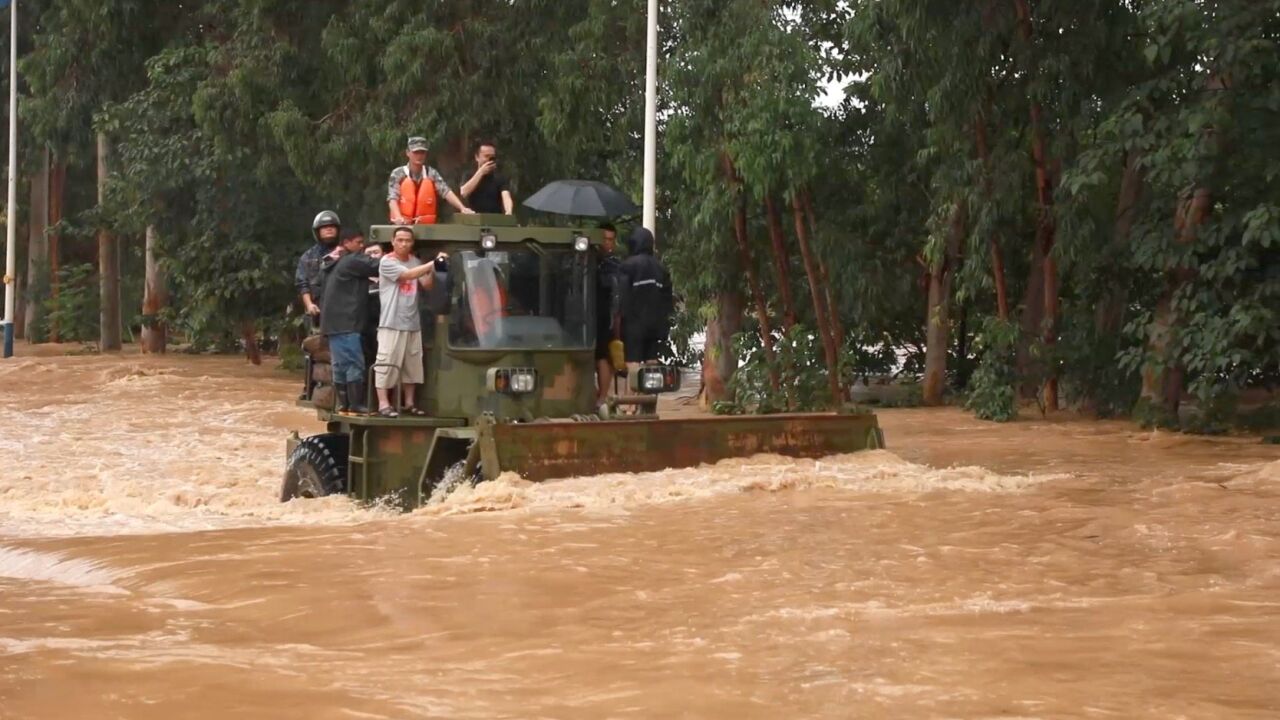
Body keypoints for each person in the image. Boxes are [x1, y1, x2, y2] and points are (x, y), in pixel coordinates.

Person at [374, 226, 446, 418]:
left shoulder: (415, 261)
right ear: (393, 241)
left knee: (412, 365)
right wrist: (433, 263)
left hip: (412, 322)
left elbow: (427, 284)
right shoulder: (387, 262)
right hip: (391, 322)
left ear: (412, 243)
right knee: (386, 362)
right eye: (400, 240)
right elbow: (406, 275)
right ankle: (383, 403)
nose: (404, 244)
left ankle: (409, 403)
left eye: (408, 240)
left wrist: (435, 268)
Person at [320, 232, 384, 414]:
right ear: (347, 243)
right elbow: (379, 266)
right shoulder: (352, 260)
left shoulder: (335, 262)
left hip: (334, 323)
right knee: (354, 363)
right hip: (347, 322)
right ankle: (355, 404)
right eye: (359, 242)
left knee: (340, 365)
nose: (362, 246)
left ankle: (344, 405)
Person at [617, 226, 674, 373]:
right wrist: (664, 326)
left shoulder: (627, 266)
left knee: (632, 363)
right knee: (651, 362)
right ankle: (650, 394)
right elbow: (667, 300)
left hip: (633, 324)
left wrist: (618, 322)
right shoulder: (661, 268)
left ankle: (632, 394)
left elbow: (622, 296)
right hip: (655, 325)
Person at [387, 136, 475, 224]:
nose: (419, 156)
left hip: (425, 226)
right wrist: (398, 217)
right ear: (408, 153)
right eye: (416, 152)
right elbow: (393, 198)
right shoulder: (398, 173)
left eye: (422, 153)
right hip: (402, 225)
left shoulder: (431, 173)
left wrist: (462, 208)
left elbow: (446, 191)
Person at [295, 210, 342, 327]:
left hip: (344, 307)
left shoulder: (345, 252)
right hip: (319, 309)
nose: (329, 229)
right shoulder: (308, 257)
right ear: (317, 231)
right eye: (324, 227)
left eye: (332, 226)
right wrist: (309, 304)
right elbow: (302, 284)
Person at [594, 223, 623, 404]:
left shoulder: (614, 265)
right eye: (604, 239)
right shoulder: (583, 260)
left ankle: (603, 397)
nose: (607, 243)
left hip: (605, 317)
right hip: (582, 317)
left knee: (604, 356)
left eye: (611, 239)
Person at [458, 140, 514, 215]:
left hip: (494, 218)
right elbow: (464, 192)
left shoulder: (499, 177)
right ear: (477, 157)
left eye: (492, 157)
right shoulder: (469, 174)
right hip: (474, 218)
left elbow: (506, 196)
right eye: (486, 156)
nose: (489, 160)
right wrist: (481, 172)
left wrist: (509, 211)